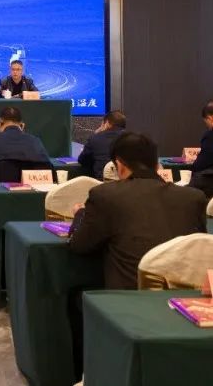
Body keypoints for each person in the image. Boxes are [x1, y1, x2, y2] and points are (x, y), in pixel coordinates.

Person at [69, 132, 207, 290]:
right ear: (157, 165)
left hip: (128, 297)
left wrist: (80, 213)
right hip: (182, 297)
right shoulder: (193, 198)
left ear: (119, 166)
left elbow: (79, 245)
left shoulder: (105, 195)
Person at [0, 106, 51, 179]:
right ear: (22, 125)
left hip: (0, 190)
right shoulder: (35, 141)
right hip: (37, 189)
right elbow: (47, 164)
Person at [77, 110, 127, 180]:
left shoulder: (95, 138)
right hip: (128, 182)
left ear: (107, 123)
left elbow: (82, 160)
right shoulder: (131, 138)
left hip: (102, 182)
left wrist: (96, 134)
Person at [190, 100, 213, 198]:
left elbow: (202, 163)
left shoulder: (210, 135)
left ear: (210, 118)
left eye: (206, 122)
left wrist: (193, 167)